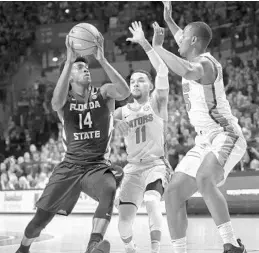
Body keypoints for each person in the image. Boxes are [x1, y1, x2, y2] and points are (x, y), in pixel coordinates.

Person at [15, 32, 130, 253]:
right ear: (69, 77)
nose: (85, 69)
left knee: (108, 187)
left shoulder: (103, 93)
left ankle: (93, 245)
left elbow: (124, 91)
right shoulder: (64, 100)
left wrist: (103, 60)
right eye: (79, 68)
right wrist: (69, 61)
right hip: (69, 166)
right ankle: (23, 249)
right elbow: (55, 102)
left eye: (85, 67)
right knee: (41, 219)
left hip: (96, 165)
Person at [152, 2, 248, 253]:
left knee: (205, 179)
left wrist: (158, 48)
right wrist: (170, 19)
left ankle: (231, 245)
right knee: (172, 193)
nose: (178, 40)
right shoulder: (193, 51)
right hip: (204, 140)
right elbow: (182, 43)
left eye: (182, 37)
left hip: (225, 134)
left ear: (193, 40)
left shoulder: (204, 64)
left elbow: (185, 68)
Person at [114, 21, 171, 253]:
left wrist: (144, 43)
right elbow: (99, 120)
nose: (135, 83)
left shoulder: (157, 102)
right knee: (123, 221)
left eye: (141, 80)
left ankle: (155, 249)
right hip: (132, 168)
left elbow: (164, 71)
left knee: (151, 200)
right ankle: (130, 249)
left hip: (156, 165)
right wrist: (112, 122)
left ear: (150, 86)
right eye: (132, 81)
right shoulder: (122, 111)